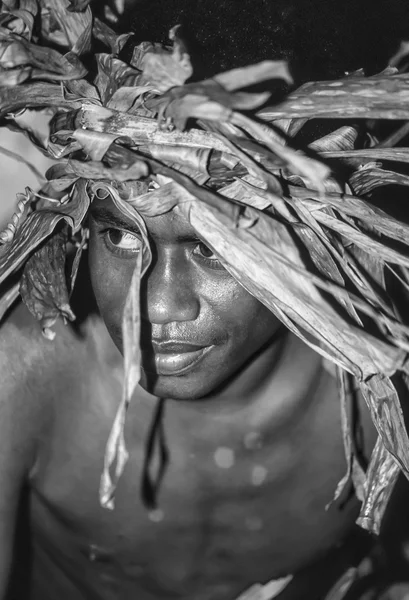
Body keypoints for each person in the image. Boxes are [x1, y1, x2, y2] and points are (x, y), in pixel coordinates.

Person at [1, 1, 409, 599]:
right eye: (120, 236)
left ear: (319, 241)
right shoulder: (28, 376)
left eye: (213, 249)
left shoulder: (387, 386)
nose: (158, 308)